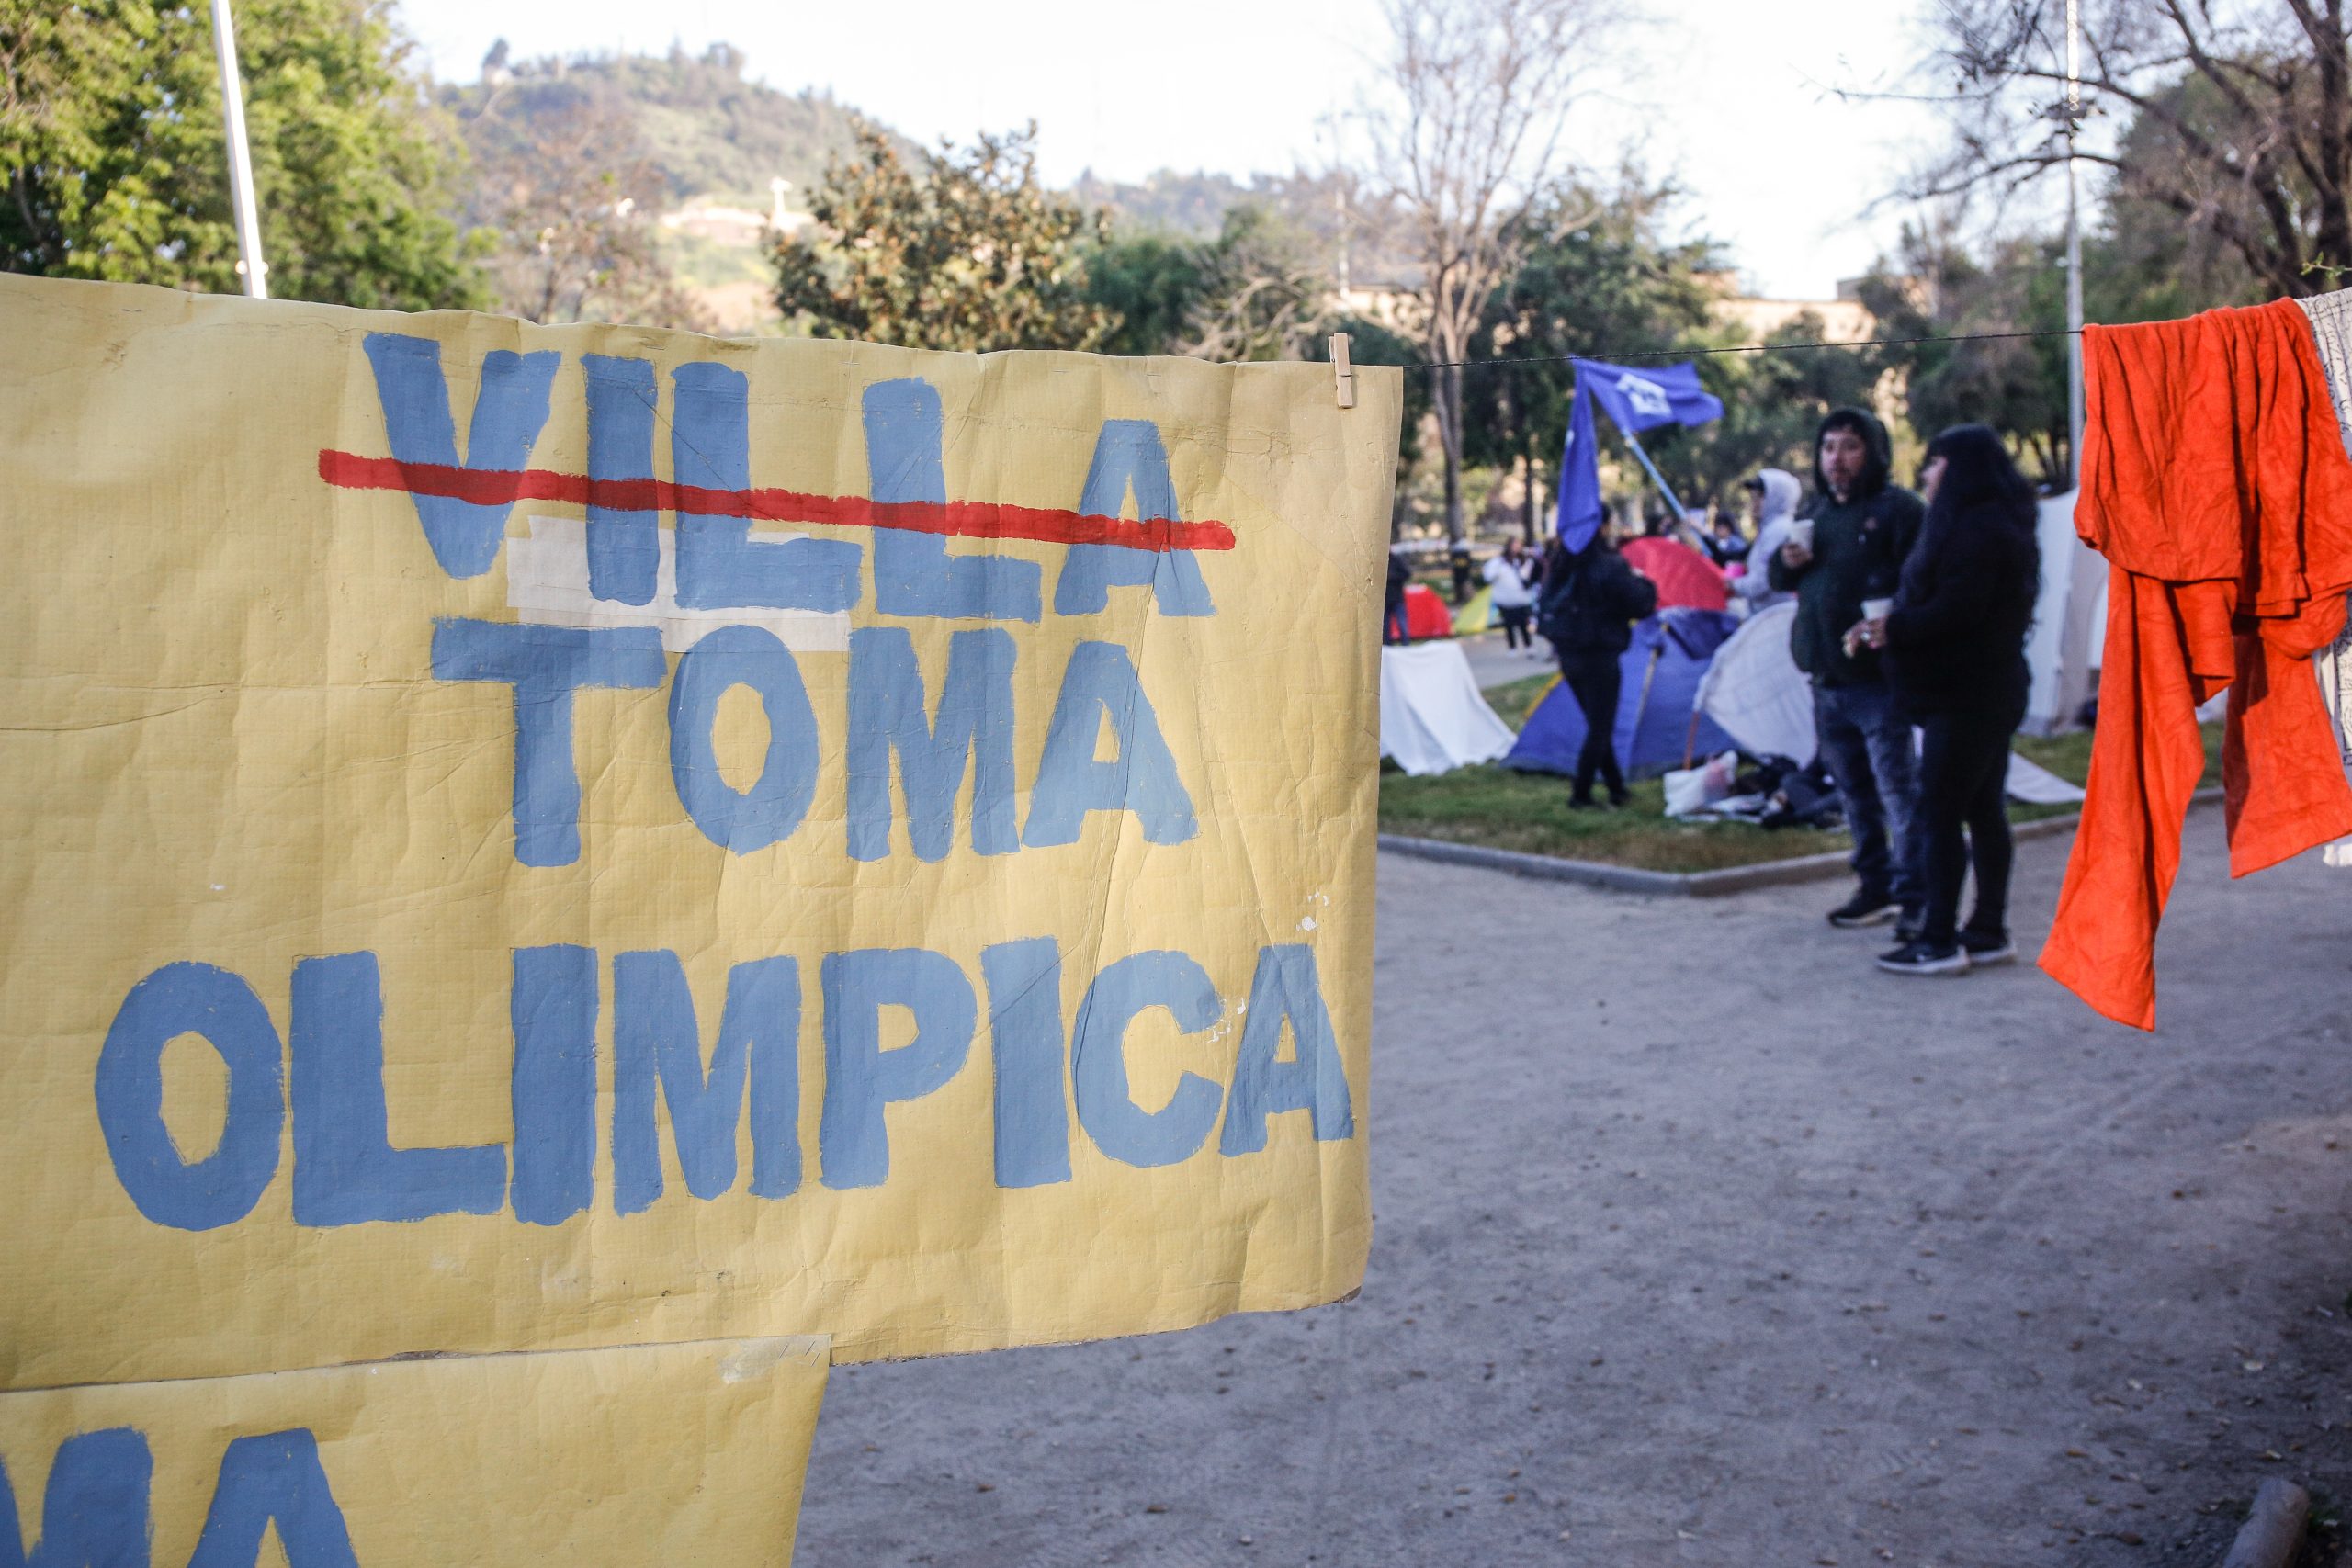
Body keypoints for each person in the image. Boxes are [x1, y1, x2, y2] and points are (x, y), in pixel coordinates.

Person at [1849, 425, 2041, 976]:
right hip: (1985, 687)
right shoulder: (1997, 524)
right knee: (1982, 809)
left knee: (1941, 812)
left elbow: (1958, 612)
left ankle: (1938, 939)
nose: (1927, 473)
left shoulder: (1976, 534)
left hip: (1967, 694)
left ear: (1960, 469)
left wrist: (1894, 627)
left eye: (1936, 463)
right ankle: (1986, 929)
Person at [1768, 408, 1926, 930]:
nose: (1837, 458)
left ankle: (1917, 897)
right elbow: (1778, 579)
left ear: (1873, 452)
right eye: (1829, 447)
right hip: (1827, 682)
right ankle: (1875, 887)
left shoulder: (1899, 509)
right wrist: (1785, 562)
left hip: (1879, 684)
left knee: (1897, 792)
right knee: (1855, 796)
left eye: (1850, 447)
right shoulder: (1817, 512)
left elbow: (1925, 583)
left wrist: (1895, 620)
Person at [1536, 523, 1657, 808]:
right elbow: (1639, 603)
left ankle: (1616, 788)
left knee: (1596, 724)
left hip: (1569, 654)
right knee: (1601, 727)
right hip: (1599, 653)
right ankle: (1581, 794)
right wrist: (1644, 581)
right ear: (1601, 528)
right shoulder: (1609, 565)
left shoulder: (1561, 565)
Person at [1731, 468, 1802, 612]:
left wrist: (1733, 584)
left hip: (1775, 617)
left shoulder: (1778, 530)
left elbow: (1760, 583)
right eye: (1753, 496)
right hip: (1765, 613)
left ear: (1777, 497)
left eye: (1761, 497)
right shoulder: (1769, 529)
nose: (1754, 503)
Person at [1484, 538, 1539, 651]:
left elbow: (1532, 576)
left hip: (1521, 598)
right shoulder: (1499, 562)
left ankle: (1528, 645)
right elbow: (1488, 576)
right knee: (1509, 624)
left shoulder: (1525, 561)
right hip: (1505, 599)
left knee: (1523, 623)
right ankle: (1512, 647)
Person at [1384, 547, 1413, 645]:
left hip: (1397, 599)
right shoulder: (1380, 562)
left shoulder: (1396, 560)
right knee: (1385, 626)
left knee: (1402, 624)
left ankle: (1406, 645)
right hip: (1385, 600)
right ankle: (1387, 647)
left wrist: (1393, 577)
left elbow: (1407, 574)